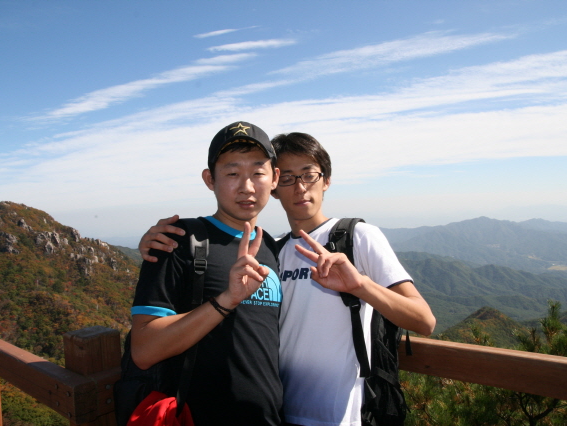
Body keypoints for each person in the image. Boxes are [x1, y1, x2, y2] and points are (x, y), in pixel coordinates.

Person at [139, 132, 436, 426]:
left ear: (326, 180)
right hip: (284, 412)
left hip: (342, 414)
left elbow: (424, 320)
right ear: (276, 186)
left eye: (309, 175)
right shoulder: (272, 249)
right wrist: (153, 245)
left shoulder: (357, 237)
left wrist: (360, 285)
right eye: (289, 178)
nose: (300, 188)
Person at [128, 121, 283, 426]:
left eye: (257, 173)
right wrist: (226, 300)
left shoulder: (272, 248)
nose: (247, 187)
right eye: (232, 173)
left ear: (274, 178)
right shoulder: (178, 240)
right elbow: (144, 349)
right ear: (210, 179)